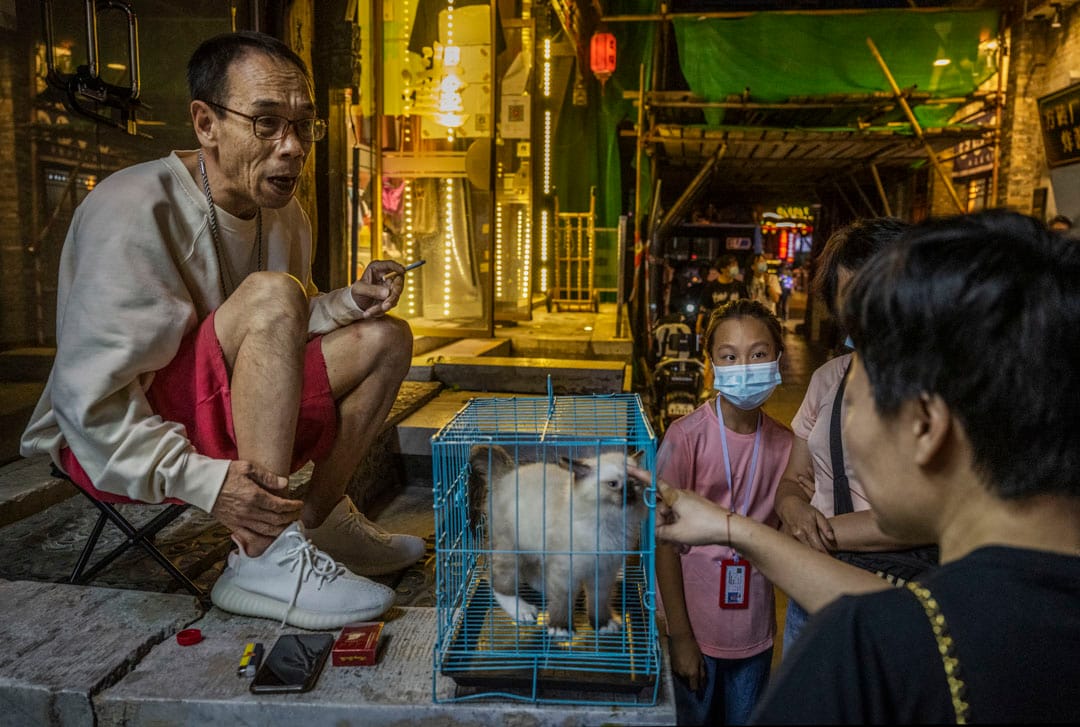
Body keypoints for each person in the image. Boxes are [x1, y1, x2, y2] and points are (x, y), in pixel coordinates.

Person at [20, 31, 425, 629]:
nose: (291, 148)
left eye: (302, 125)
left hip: (224, 404)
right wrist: (205, 482)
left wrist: (346, 303)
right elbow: (94, 407)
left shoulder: (286, 215)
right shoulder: (133, 208)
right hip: (117, 438)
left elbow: (281, 328)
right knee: (270, 293)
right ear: (206, 123)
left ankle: (319, 519)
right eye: (265, 123)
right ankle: (261, 555)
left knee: (387, 338)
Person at [640, 209, 1080, 723]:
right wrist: (737, 530)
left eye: (861, 385)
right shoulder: (1016, 610)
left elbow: (894, 622)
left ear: (925, 422)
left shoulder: (858, 659)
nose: (845, 426)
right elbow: (904, 613)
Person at [772, 217, 933, 655]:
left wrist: (811, 530)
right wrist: (790, 507)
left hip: (890, 593)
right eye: (853, 296)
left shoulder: (938, 390)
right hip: (812, 586)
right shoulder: (829, 379)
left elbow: (924, 517)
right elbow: (793, 478)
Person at [656, 300, 793, 725]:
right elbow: (662, 543)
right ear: (710, 362)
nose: (746, 367)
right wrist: (680, 636)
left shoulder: (788, 446)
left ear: (778, 359)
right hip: (692, 631)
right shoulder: (685, 438)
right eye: (730, 356)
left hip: (754, 636)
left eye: (758, 353)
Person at [696, 255, 748, 336]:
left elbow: (746, 307)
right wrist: (698, 325)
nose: (735, 267)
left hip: (735, 328)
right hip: (716, 327)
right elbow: (703, 307)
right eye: (732, 265)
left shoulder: (740, 286)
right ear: (723, 269)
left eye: (736, 265)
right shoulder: (711, 287)